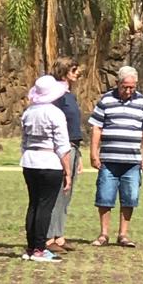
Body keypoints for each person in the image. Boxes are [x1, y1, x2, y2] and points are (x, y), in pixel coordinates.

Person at [88, 65, 143, 248]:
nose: (128, 90)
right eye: (125, 86)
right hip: (109, 160)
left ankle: (123, 234)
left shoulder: (142, 102)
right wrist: (94, 153)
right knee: (104, 196)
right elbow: (96, 127)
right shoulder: (106, 100)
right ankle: (103, 234)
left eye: (132, 87)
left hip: (132, 161)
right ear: (117, 83)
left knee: (130, 197)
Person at [20, 75, 72, 263]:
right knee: (45, 206)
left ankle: (31, 246)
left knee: (33, 204)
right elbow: (62, 145)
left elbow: (24, 141)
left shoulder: (28, 112)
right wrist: (67, 171)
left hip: (30, 161)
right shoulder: (55, 113)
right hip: (49, 161)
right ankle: (40, 249)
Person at [46, 58, 83, 251]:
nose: (78, 73)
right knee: (59, 192)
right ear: (63, 72)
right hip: (63, 148)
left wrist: (79, 157)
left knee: (67, 193)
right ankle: (49, 237)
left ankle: (59, 235)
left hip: (74, 147)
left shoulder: (70, 96)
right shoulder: (57, 96)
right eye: (74, 69)